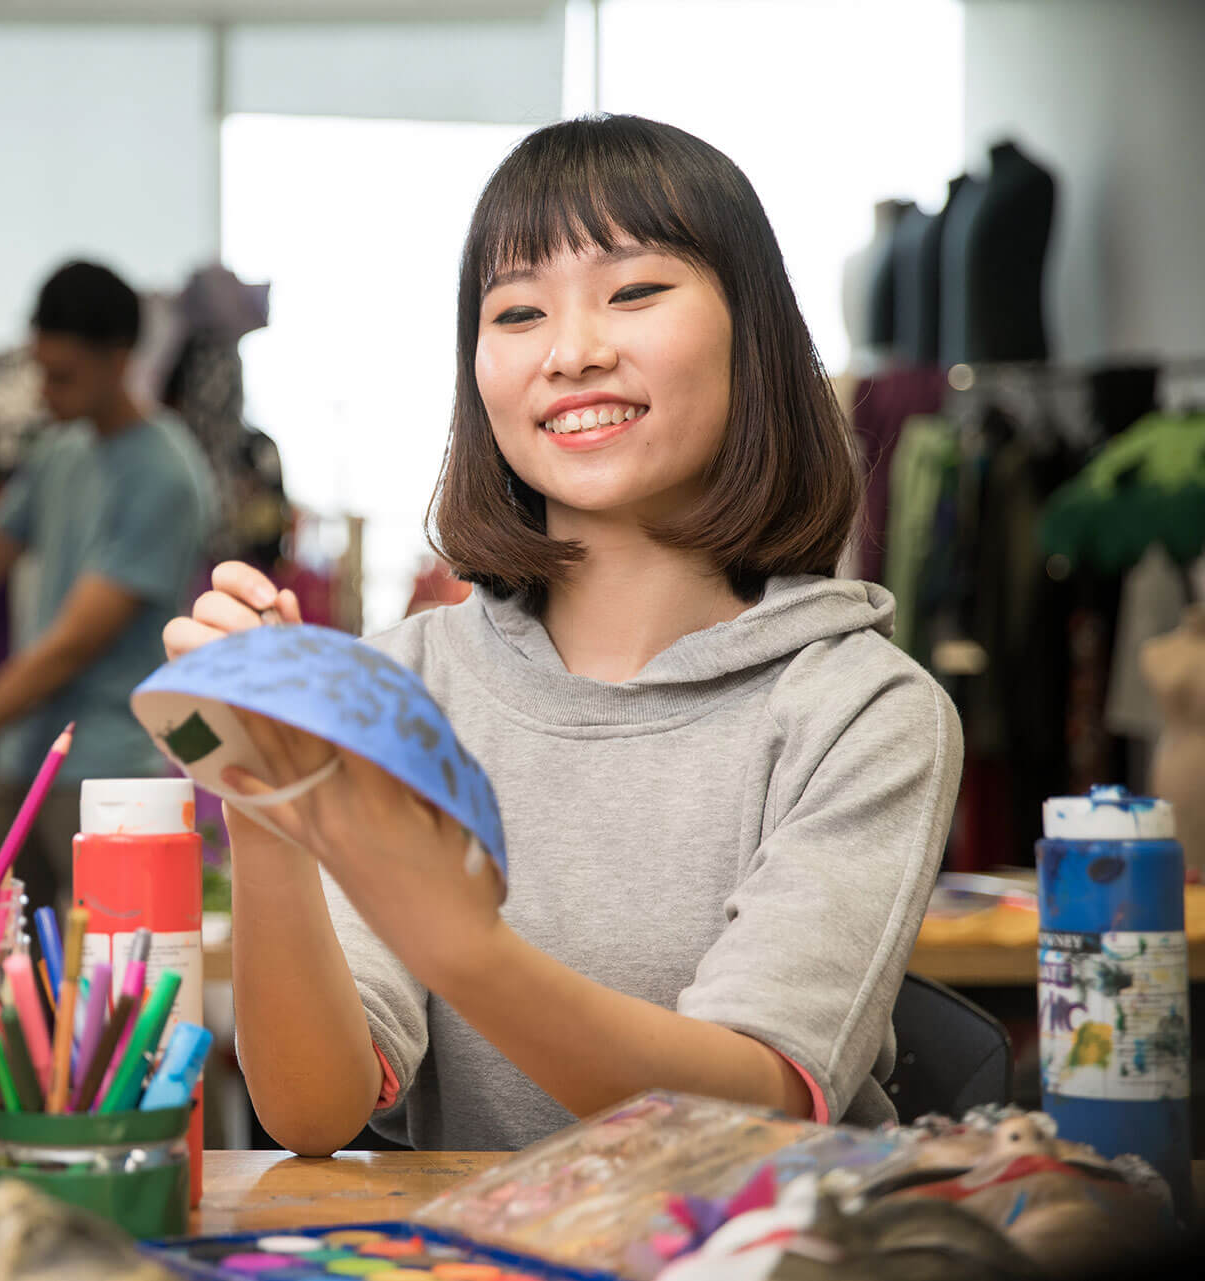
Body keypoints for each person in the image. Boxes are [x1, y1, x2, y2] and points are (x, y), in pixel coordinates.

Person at [164, 116, 965, 1156]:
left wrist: (465, 948)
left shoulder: (863, 712)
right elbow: (313, 1112)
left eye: (634, 292)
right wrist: (269, 809)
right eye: (518, 312)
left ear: (753, 335)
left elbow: (754, 1111)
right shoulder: (404, 684)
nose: (573, 352)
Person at [0, 261, 215, 910]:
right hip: (18, 764)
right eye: (41, 371)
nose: (45, 391)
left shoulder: (165, 475)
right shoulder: (61, 452)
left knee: (105, 995)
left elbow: (69, 647)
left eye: (63, 375)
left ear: (119, 357)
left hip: (108, 774)